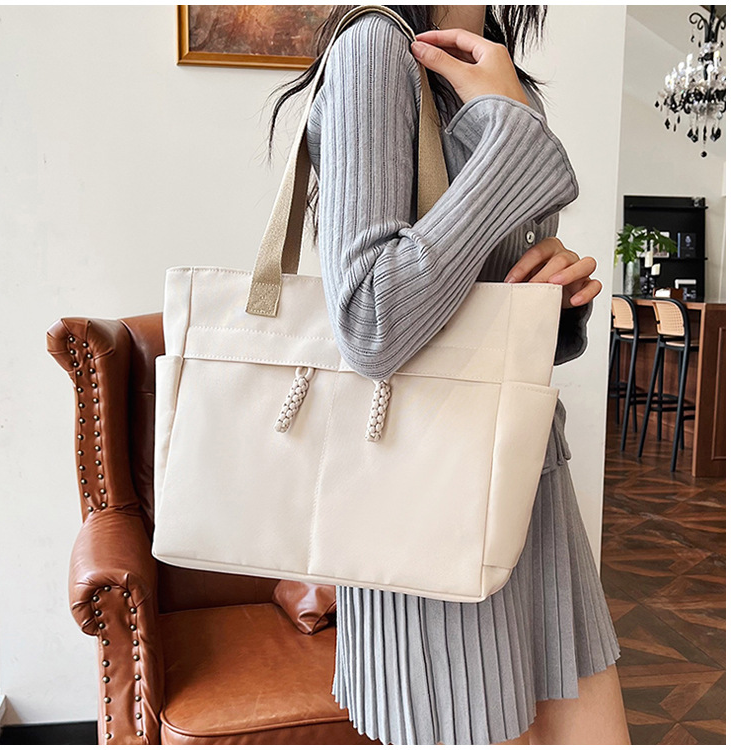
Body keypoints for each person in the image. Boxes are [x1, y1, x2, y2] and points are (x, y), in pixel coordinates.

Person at [267, 5, 631, 745]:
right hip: (423, 501)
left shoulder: (489, 64)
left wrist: (551, 297)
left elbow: (473, 296)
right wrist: (510, 135)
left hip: (527, 478)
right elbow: (370, 321)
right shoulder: (374, 49)